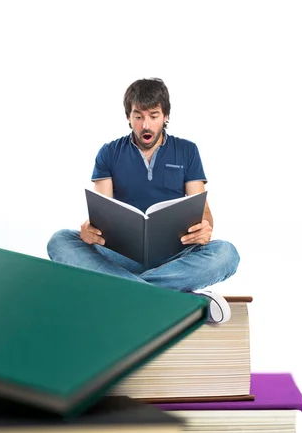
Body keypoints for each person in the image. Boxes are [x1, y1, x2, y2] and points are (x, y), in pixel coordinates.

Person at [47, 78, 240, 323]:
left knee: (226, 253)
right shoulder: (109, 152)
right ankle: (172, 297)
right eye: (138, 116)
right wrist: (89, 230)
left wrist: (204, 229)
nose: (145, 124)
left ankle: (126, 292)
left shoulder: (187, 151)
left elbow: (203, 211)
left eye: (153, 115)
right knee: (60, 240)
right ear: (128, 117)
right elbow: (102, 211)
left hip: (175, 257)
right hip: (119, 258)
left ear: (166, 116)